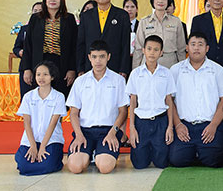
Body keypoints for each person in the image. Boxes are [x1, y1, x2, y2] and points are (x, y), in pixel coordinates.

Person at [66, 40, 129, 174]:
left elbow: (123, 111)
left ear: (108, 57)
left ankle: (98, 154)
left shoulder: (118, 80)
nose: (98, 61)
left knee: (105, 167)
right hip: (85, 131)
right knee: (74, 167)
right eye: (94, 57)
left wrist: (113, 132)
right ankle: (90, 154)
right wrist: (78, 135)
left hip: (108, 131)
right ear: (89, 57)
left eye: (102, 56)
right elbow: (73, 112)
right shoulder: (80, 81)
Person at [169, 32, 223, 167]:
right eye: (193, 44)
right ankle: (195, 151)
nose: (196, 48)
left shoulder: (218, 70)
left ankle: (199, 151)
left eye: (200, 45)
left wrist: (214, 125)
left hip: (209, 125)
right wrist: (178, 125)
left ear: (207, 48)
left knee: (214, 160)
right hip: (185, 126)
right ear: (187, 47)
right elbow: (169, 101)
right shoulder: (175, 70)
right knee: (176, 160)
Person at [126, 35, 177, 169]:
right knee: (139, 164)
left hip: (160, 122)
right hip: (141, 122)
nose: (152, 52)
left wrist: (170, 127)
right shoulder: (136, 74)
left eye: (156, 49)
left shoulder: (166, 73)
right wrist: (132, 128)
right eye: (149, 49)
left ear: (161, 53)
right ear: (143, 50)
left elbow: (169, 101)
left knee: (162, 164)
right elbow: (133, 101)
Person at [21, 0, 77, 98]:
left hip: (61, 64)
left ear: (62, 0)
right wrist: (26, 69)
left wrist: (72, 69)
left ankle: (57, 116)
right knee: (39, 96)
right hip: (39, 62)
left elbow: (74, 46)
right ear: (45, 0)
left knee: (60, 96)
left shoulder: (69, 19)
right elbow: (28, 45)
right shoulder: (35, 19)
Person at [14, 61, 66, 176]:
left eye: (45, 74)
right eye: (38, 74)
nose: (41, 78)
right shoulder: (28, 96)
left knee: (48, 164)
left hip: (51, 140)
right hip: (30, 140)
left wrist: (42, 146)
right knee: (23, 167)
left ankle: (54, 162)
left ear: (52, 77)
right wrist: (33, 146)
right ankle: (33, 161)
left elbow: (53, 124)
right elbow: (26, 123)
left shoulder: (59, 97)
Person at [77, 0, 131, 77]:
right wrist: (80, 68)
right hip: (91, 66)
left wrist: (124, 69)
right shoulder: (86, 16)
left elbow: (125, 43)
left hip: (115, 66)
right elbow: (81, 43)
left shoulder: (122, 15)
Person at [133, 0, 186, 70]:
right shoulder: (144, 22)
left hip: (170, 64)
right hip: (148, 64)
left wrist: (182, 69)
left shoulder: (176, 21)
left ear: (168, 2)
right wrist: (135, 70)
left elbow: (181, 49)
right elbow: (138, 49)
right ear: (153, 1)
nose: (161, 1)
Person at [14, 2, 43, 97]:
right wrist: (19, 52)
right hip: (26, 67)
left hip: (42, 66)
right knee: (27, 97)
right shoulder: (24, 29)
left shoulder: (49, 29)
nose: (37, 13)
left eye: (40, 10)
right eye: (35, 11)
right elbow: (16, 47)